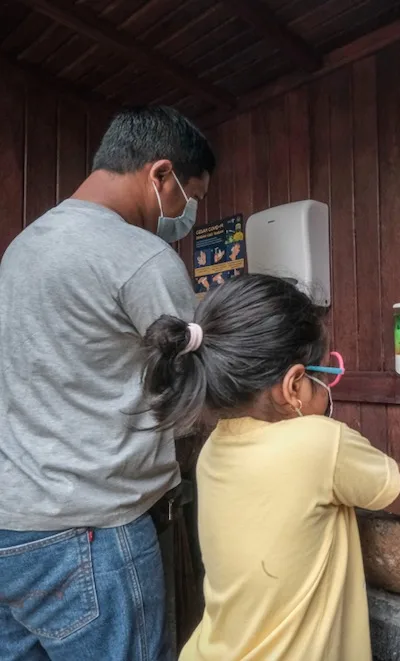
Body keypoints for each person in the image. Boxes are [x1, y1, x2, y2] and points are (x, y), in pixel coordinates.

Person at [0, 106, 215, 661]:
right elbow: (197, 389)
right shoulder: (141, 257)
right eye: (193, 199)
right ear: (160, 176)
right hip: (92, 536)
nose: (190, 215)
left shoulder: (21, 249)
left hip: (11, 529)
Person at [141, 274, 400, 661]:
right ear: (295, 386)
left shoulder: (215, 447)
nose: (330, 385)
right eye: (326, 375)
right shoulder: (320, 443)